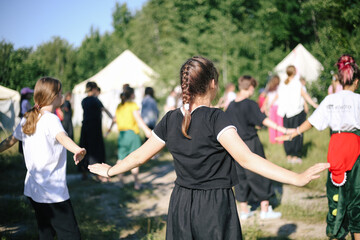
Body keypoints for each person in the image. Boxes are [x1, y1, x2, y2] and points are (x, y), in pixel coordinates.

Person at [88, 56, 329, 240]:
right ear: (212, 83)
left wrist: (111, 171)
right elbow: (247, 159)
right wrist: (296, 178)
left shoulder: (170, 118)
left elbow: (140, 156)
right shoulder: (217, 119)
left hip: (180, 204)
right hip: (214, 206)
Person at [277, 54, 360, 240]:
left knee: (337, 194)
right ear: (356, 82)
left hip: (337, 148)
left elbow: (312, 122)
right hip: (355, 147)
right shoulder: (358, 100)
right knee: (357, 194)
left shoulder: (330, 100)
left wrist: (293, 133)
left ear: (339, 80)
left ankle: (336, 231)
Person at [0, 77, 86, 240]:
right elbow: (62, 138)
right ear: (53, 97)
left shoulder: (28, 117)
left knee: (45, 231)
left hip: (34, 190)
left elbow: (10, 140)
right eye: (60, 93)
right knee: (70, 234)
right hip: (53, 192)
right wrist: (77, 149)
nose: (62, 96)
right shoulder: (51, 119)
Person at [226, 75, 292, 220]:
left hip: (236, 144)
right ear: (250, 87)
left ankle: (244, 211)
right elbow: (264, 120)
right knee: (260, 173)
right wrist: (284, 130)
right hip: (251, 143)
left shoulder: (230, 105)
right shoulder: (250, 104)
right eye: (253, 89)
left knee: (240, 176)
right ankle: (265, 209)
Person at [108, 86, 152, 190]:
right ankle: (136, 183)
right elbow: (138, 119)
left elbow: (115, 119)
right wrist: (147, 130)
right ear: (132, 95)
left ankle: (120, 182)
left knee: (121, 158)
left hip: (122, 135)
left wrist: (108, 130)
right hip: (132, 135)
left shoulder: (119, 106)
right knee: (135, 158)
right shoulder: (132, 105)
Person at [276, 65, 319, 164]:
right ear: (294, 72)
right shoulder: (296, 83)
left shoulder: (283, 83)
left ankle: (288, 155)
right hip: (295, 112)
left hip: (285, 113)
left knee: (286, 132)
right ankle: (295, 155)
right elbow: (304, 95)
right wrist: (314, 104)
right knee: (297, 132)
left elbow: (279, 96)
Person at [78, 81, 113, 182]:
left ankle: (84, 172)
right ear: (94, 89)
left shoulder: (83, 101)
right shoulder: (95, 100)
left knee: (84, 149)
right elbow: (104, 110)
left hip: (85, 128)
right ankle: (99, 174)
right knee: (96, 151)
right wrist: (112, 117)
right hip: (95, 129)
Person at [261, 75, 283, 144]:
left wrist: (266, 106)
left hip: (272, 107)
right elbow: (277, 96)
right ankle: (280, 140)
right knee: (279, 124)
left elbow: (267, 97)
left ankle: (273, 140)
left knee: (272, 124)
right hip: (278, 106)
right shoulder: (279, 87)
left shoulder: (269, 87)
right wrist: (266, 106)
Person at [18, 87, 34, 155]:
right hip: (26, 122)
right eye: (29, 94)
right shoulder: (26, 102)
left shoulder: (22, 101)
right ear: (26, 95)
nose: (31, 95)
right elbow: (28, 112)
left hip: (22, 121)